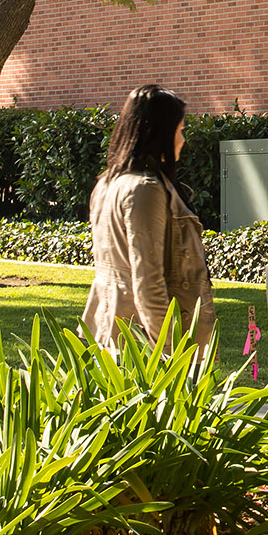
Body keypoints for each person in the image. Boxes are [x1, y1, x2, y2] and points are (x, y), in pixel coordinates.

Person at [82, 84, 215, 354]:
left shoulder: (107, 184)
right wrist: (170, 354)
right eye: (179, 131)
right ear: (160, 133)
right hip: (143, 346)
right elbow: (147, 282)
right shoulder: (144, 190)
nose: (183, 140)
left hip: (116, 332)